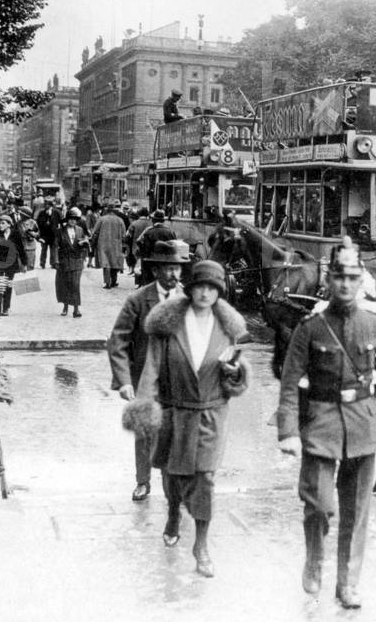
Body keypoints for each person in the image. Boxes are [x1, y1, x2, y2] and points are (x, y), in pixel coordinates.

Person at [275, 237, 376, 607]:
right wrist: (287, 431)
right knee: (319, 504)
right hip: (321, 424)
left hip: (364, 425)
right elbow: (289, 383)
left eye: (352, 277)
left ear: (361, 278)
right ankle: (315, 559)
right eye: (339, 276)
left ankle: (348, 582)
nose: (346, 284)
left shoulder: (375, 322)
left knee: (356, 513)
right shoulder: (311, 326)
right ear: (329, 277)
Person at [123, 260, 251, 578]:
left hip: (210, 412)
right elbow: (151, 369)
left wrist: (235, 373)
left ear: (219, 292)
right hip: (174, 411)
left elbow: (236, 376)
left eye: (212, 288)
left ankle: (202, 545)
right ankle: (172, 513)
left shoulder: (227, 328)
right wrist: (145, 405)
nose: (205, 293)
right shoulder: (167, 326)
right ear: (189, 289)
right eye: (199, 287)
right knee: (173, 475)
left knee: (205, 479)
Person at [107, 241, 189, 503]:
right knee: (145, 431)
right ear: (155, 271)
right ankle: (143, 482)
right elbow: (117, 341)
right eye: (169, 269)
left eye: (178, 268)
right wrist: (123, 381)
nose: (174, 275)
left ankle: (172, 485)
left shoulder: (188, 299)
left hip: (179, 381)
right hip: (145, 378)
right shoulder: (138, 300)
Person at [55, 207, 89, 318]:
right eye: (70, 219)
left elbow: (85, 241)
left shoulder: (79, 230)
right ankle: (65, 307)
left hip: (77, 261)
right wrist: (56, 260)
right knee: (65, 284)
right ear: (67, 219)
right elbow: (55, 246)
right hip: (64, 261)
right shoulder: (60, 231)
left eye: (75, 219)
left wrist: (84, 244)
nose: (73, 221)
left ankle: (76, 309)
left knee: (75, 285)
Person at [0, 216, 21, 317]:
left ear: (9, 224)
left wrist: (25, 263)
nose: (0, 225)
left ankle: (6, 308)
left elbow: (21, 249)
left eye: (3, 223)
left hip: (11, 263)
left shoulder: (16, 234)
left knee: (8, 285)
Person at [135, 210, 177, 286]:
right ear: (163, 221)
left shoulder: (149, 231)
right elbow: (174, 246)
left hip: (151, 261)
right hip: (166, 261)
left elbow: (142, 245)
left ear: (153, 220)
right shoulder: (170, 232)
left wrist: (143, 251)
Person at [92, 204, 127, 289]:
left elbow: (95, 232)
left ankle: (107, 282)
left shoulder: (102, 219)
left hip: (103, 244)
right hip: (116, 245)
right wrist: (123, 244)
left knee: (106, 263)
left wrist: (93, 243)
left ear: (106, 211)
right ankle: (114, 281)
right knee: (114, 262)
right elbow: (124, 234)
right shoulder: (120, 220)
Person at [124, 207, 151, 276]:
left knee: (137, 261)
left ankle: (136, 276)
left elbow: (127, 236)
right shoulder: (151, 223)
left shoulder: (134, 224)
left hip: (136, 247)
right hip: (148, 247)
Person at [36, 198, 61, 269]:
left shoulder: (56, 212)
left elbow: (61, 221)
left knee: (53, 249)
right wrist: (45, 221)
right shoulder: (42, 213)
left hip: (54, 234)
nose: (46, 206)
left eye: (48, 205)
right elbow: (39, 223)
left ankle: (53, 263)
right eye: (45, 205)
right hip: (44, 235)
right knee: (44, 249)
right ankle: (42, 263)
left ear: (51, 206)